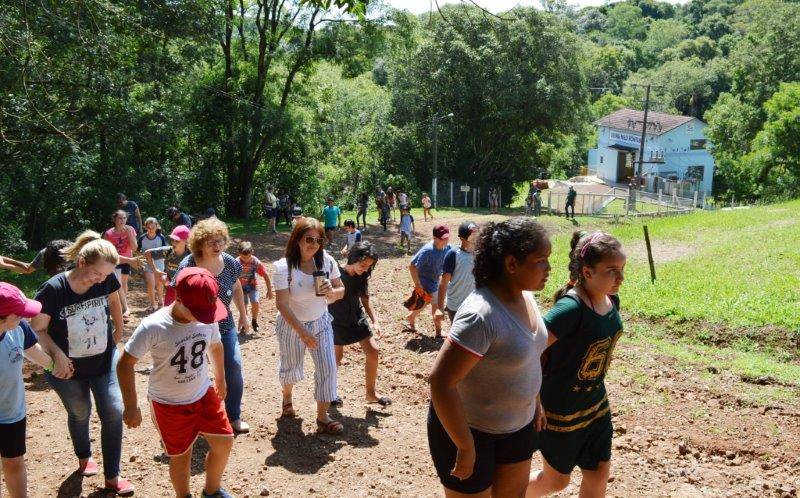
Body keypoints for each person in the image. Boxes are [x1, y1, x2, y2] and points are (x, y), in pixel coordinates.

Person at [428, 218, 551, 497]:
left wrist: (535, 401)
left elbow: (530, 356)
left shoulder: (526, 297)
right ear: (511, 264)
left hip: (518, 427)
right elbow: (440, 382)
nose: (549, 268)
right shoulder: (481, 316)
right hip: (470, 431)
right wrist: (465, 446)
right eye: (541, 260)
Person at [30, 231, 135, 496]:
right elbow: (37, 329)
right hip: (67, 368)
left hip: (103, 359)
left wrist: (119, 330)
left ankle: (113, 475)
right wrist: (56, 354)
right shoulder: (54, 289)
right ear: (81, 263)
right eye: (95, 274)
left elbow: (113, 298)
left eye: (105, 275)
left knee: (112, 409)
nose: (100, 280)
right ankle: (84, 456)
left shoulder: (106, 277)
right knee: (80, 411)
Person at [117, 267, 235, 498]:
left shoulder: (206, 314)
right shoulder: (154, 326)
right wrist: (131, 405)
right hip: (168, 404)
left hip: (202, 393)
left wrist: (220, 377)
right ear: (178, 299)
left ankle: (212, 491)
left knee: (224, 441)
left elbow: (215, 345)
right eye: (197, 312)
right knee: (182, 456)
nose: (204, 317)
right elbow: (125, 363)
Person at [527, 231, 626, 498]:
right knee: (556, 482)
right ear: (588, 272)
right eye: (612, 270)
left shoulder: (610, 300)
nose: (621, 278)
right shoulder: (570, 309)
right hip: (561, 414)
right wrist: (534, 400)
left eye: (622, 269)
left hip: (596, 407)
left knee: (599, 473)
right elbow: (529, 351)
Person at [172, 218, 250, 434]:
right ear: (199, 244)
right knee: (193, 372)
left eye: (220, 241)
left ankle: (233, 417)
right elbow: (176, 296)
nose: (217, 247)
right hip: (193, 327)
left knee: (233, 366)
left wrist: (243, 315)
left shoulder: (231, 263)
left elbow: (235, 287)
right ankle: (193, 420)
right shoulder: (188, 264)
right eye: (211, 242)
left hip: (223, 323)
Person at [273, 217, 345, 434]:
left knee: (328, 368)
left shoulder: (327, 262)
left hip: (320, 321)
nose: (314, 244)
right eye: (309, 239)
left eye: (318, 239)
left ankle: (322, 417)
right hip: (291, 324)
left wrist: (333, 293)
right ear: (297, 240)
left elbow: (341, 289)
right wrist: (302, 333)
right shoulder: (283, 267)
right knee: (291, 368)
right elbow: (282, 305)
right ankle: (287, 397)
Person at [0, 283, 53, 498]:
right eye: (19, 314)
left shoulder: (19, 328)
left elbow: (33, 351)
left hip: (11, 412)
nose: (24, 318)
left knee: (14, 461)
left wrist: (54, 365)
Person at [328, 242, 390, 407]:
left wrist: (375, 321)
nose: (365, 269)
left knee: (373, 351)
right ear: (353, 258)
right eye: (363, 265)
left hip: (356, 316)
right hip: (335, 318)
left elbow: (365, 299)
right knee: (337, 357)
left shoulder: (362, 276)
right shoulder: (335, 272)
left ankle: (370, 393)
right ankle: (329, 392)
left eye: (369, 266)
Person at [403, 224, 450, 338]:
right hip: (425, 283)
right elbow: (412, 266)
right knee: (437, 306)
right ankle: (439, 332)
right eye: (442, 238)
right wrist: (418, 285)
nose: (446, 240)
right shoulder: (428, 251)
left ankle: (411, 317)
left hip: (434, 281)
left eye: (447, 237)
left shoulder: (446, 248)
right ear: (434, 238)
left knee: (425, 302)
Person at [436, 221, 479, 323]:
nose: (476, 238)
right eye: (472, 236)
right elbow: (443, 284)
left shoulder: (480, 254)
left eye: (477, 235)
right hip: (457, 307)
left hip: (475, 305)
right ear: (462, 238)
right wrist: (440, 308)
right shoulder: (453, 255)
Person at [103, 210, 142, 322]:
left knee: (123, 283)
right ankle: (124, 308)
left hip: (127, 261)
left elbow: (134, 248)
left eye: (124, 218)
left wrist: (129, 233)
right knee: (117, 284)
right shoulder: (109, 233)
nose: (122, 220)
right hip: (114, 261)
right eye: (120, 218)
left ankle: (122, 306)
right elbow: (106, 251)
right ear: (114, 219)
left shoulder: (130, 230)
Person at [144, 225, 191, 307]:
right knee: (169, 314)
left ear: (186, 241)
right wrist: (155, 271)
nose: (173, 243)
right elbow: (147, 253)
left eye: (177, 241)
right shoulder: (168, 251)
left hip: (187, 290)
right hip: (171, 289)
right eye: (172, 240)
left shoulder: (191, 255)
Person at [236, 241, 273, 333]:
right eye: (243, 257)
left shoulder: (255, 262)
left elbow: (265, 275)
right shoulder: (236, 262)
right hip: (241, 288)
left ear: (252, 252)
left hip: (252, 286)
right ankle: (245, 322)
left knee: (255, 303)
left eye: (248, 257)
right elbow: (231, 276)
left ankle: (254, 321)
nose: (246, 259)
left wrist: (269, 290)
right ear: (239, 253)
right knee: (243, 307)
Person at [137, 217, 169, 312]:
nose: (151, 229)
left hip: (159, 265)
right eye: (148, 227)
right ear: (145, 227)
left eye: (153, 227)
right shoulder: (142, 238)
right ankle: (152, 304)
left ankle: (160, 302)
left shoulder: (161, 237)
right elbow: (138, 251)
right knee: (150, 284)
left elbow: (166, 251)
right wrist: (144, 256)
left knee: (159, 284)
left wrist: (153, 254)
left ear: (156, 227)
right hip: (147, 265)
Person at [0, 239, 71, 276]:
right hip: (52, 252)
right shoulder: (46, 253)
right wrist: (4, 264)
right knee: (28, 269)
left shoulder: (79, 254)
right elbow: (28, 269)